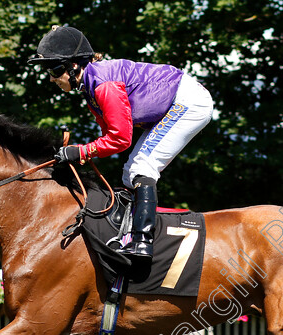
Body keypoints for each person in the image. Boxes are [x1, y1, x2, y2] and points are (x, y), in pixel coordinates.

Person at [28, 25, 214, 260]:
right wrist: (80, 154)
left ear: (74, 65)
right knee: (130, 174)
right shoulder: (90, 86)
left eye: (54, 70)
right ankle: (129, 233)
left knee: (142, 167)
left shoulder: (104, 85)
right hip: (181, 101)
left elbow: (120, 139)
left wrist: (81, 151)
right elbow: (110, 137)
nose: (52, 78)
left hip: (189, 102)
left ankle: (142, 242)